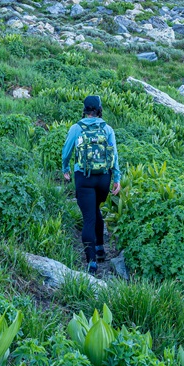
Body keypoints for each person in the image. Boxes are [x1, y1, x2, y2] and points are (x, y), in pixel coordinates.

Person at [61, 95, 121, 274]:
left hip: (83, 176)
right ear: (100, 109)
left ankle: (92, 263)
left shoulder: (76, 128)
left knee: (89, 217)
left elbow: (67, 150)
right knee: (96, 209)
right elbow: (114, 155)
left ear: (85, 109)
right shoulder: (108, 129)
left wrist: (65, 168)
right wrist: (116, 178)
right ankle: (101, 248)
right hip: (104, 177)